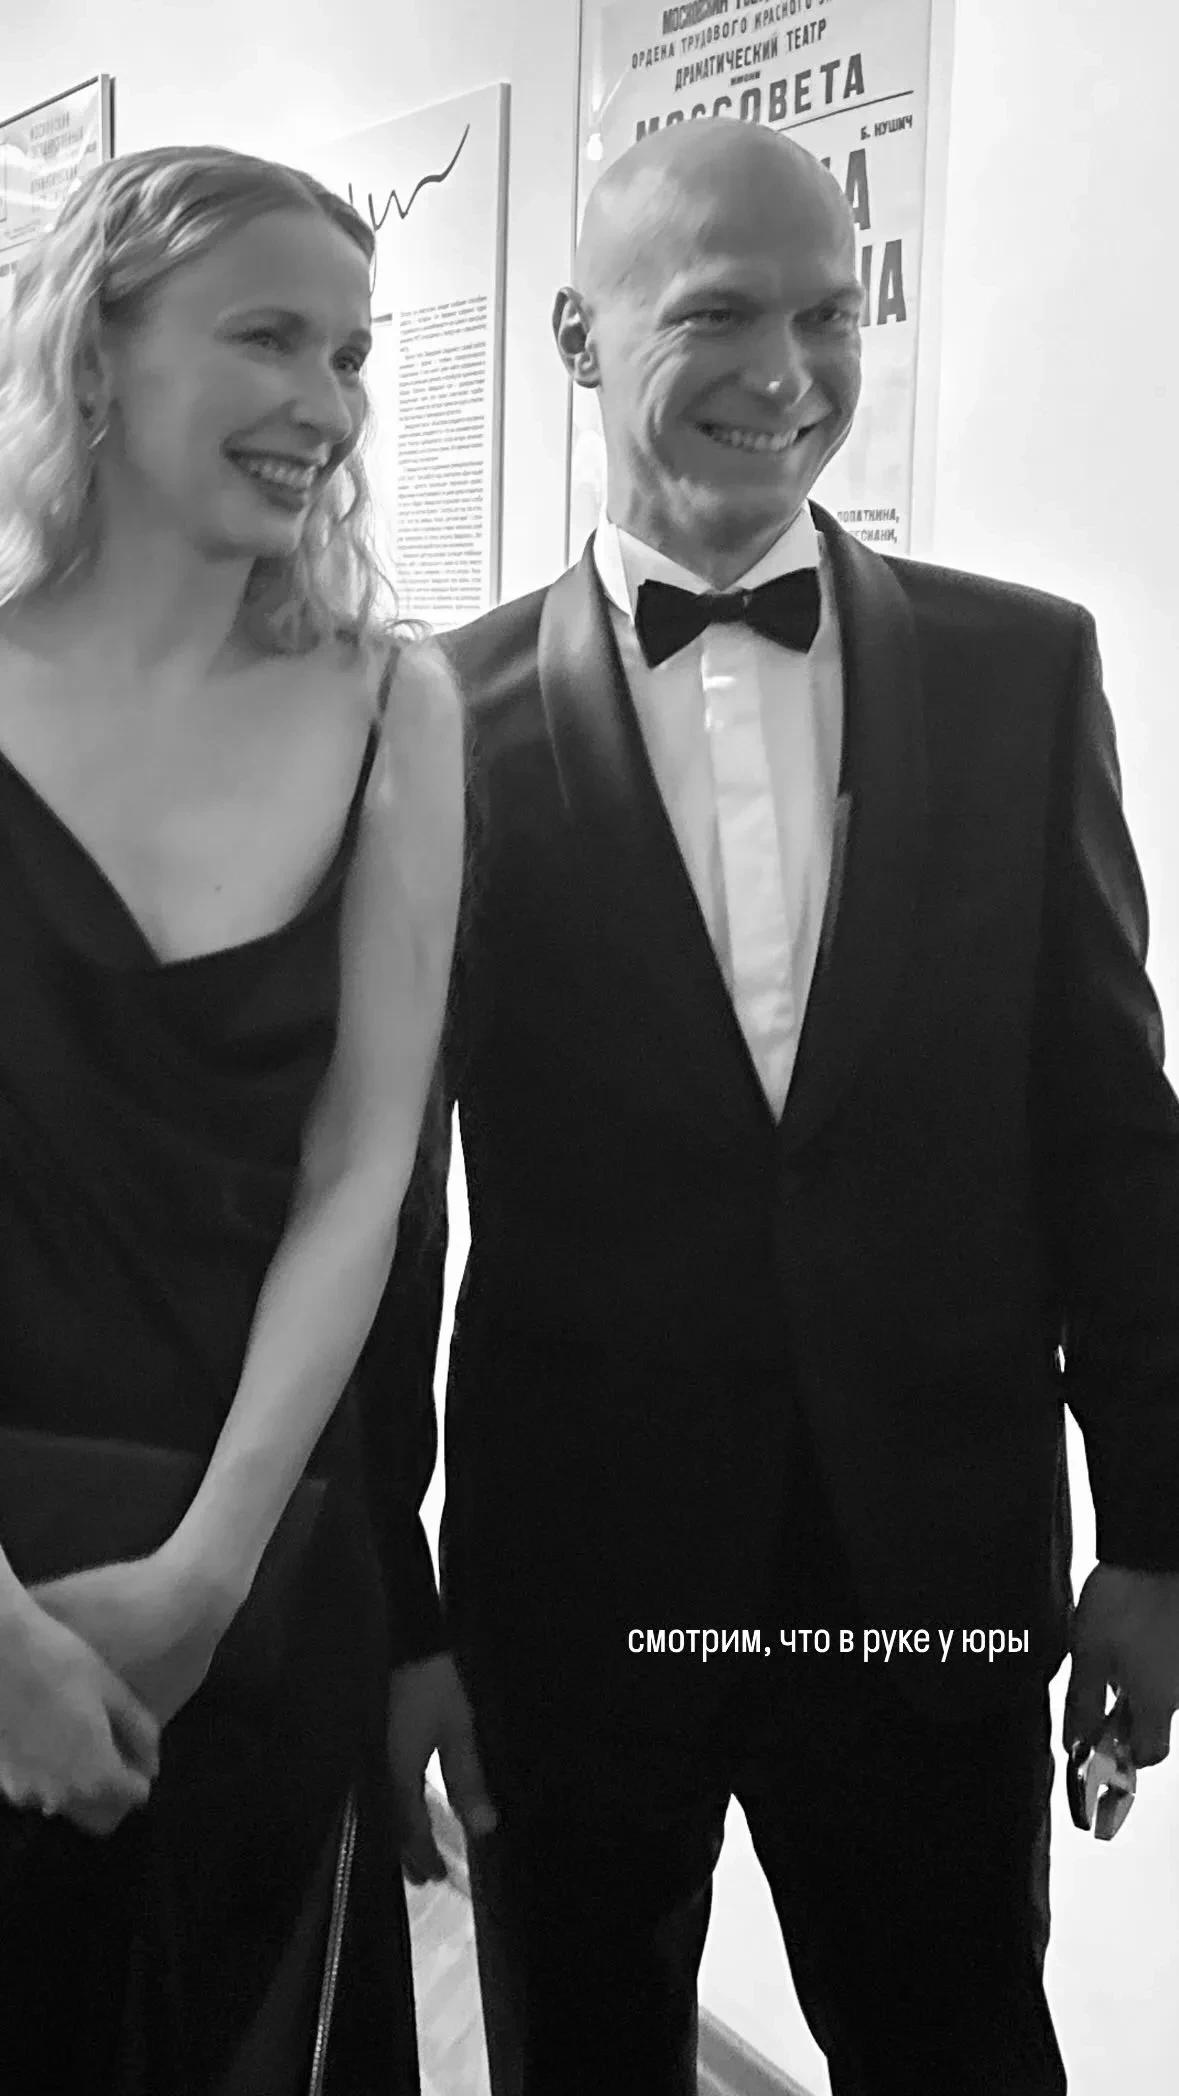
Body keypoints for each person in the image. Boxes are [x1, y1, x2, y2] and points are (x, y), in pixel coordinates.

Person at [360, 116, 1179, 2095]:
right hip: (572, 1583)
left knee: (960, 2046)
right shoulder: (423, 721)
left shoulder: (1020, 669)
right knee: (579, 2052)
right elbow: (378, 1201)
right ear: (578, 333)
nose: (785, 371)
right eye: (717, 313)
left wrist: (1156, 1534)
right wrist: (393, 1615)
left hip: (931, 1573)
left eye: (828, 315)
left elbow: (1109, 1133)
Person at [0, 144, 463, 2094]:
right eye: (268, 335)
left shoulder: (394, 706)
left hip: (265, 1557)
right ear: (94, 351)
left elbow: (364, 1170)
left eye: (350, 354)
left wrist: (206, 1571)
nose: (326, 404)